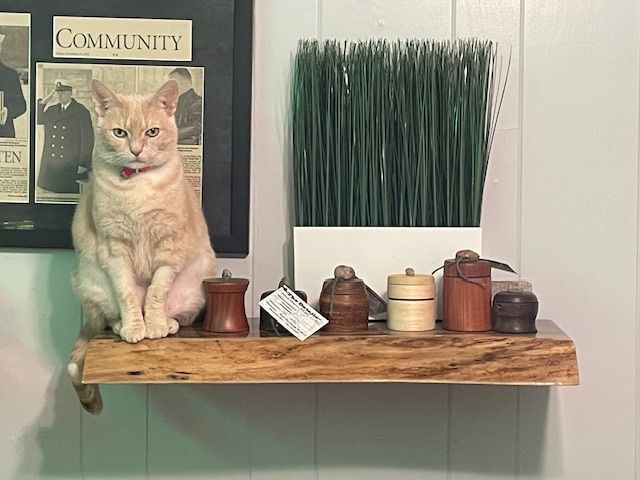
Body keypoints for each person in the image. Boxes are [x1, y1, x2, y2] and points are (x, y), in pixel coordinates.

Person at [36, 79, 94, 194]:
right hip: (52, 164)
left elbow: (87, 139)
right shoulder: (52, 110)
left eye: (63, 92)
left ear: (70, 93)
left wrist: (83, 163)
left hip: (71, 164)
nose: (59, 95)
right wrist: (44, 102)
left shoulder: (81, 111)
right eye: (57, 92)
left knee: (67, 195)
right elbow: (39, 119)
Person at [0, 33, 26, 138]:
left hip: (3, 134)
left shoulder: (10, 75)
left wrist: (6, 111)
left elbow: (21, 105)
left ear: (0, 48)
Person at [168, 68, 202, 145]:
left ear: (184, 81)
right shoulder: (176, 101)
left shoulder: (197, 101)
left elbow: (198, 125)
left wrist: (170, 133)